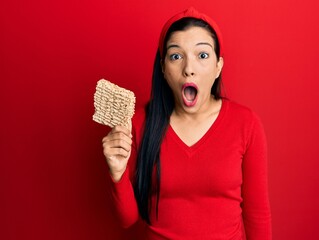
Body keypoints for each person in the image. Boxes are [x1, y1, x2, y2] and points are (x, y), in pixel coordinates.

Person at [102, 7, 272, 240]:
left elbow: (257, 216)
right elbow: (127, 219)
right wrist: (118, 174)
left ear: (218, 67)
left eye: (202, 55)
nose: (188, 69)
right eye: (176, 56)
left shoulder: (246, 124)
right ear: (163, 68)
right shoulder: (139, 123)